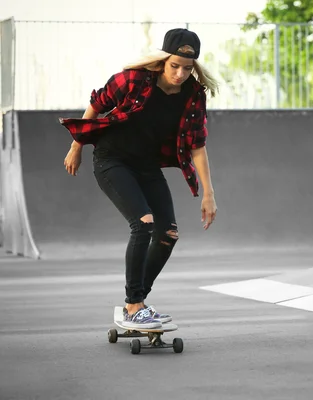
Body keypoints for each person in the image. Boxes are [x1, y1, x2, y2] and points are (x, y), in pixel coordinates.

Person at [60, 28, 218, 329]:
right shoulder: (133, 80)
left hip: (146, 166)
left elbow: (197, 143)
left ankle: (138, 302)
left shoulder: (194, 94)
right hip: (112, 160)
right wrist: (76, 145)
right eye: (175, 66)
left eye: (188, 68)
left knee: (168, 234)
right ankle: (134, 305)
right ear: (162, 61)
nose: (181, 74)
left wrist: (208, 193)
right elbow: (97, 103)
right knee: (143, 222)